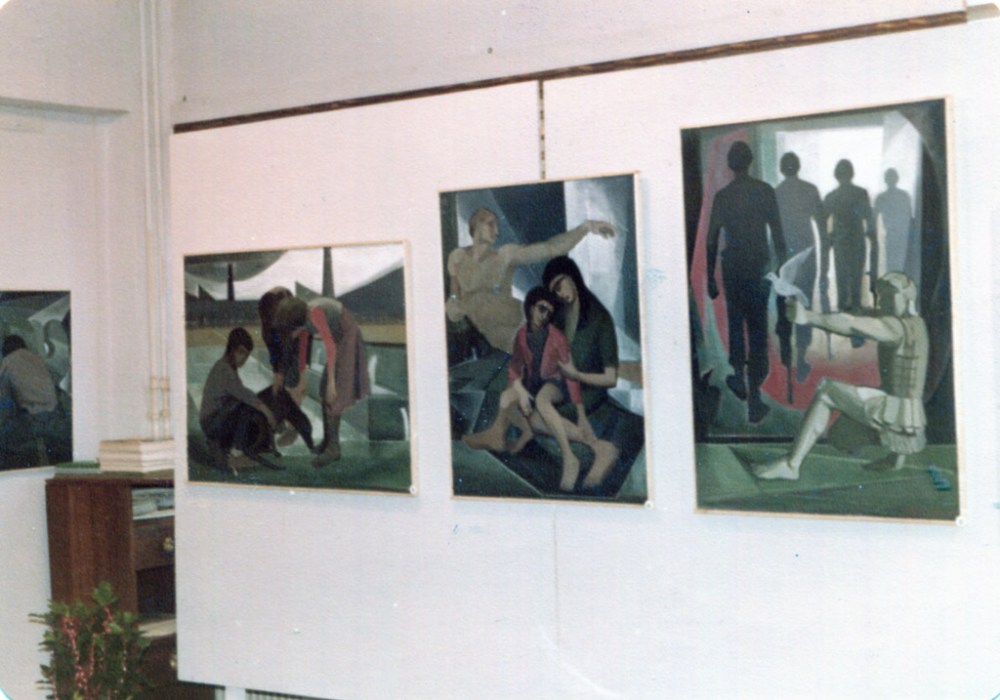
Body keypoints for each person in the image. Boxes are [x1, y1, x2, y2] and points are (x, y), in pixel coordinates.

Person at [753, 272, 928, 480]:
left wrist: (809, 317)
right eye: (882, 296)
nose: (882, 302)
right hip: (910, 418)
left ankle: (792, 465)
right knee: (851, 423)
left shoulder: (895, 327)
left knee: (826, 390)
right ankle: (895, 459)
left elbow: (851, 324)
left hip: (894, 413)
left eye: (890, 296)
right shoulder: (916, 324)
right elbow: (861, 317)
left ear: (907, 298)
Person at [463, 287, 607, 491]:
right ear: (531, 307)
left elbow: (571, 377)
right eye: (541, 309)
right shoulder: (522, 335)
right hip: (533, 385)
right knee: (508, 397)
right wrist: (521, 391)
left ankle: (569, 458)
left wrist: (581, 414)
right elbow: (514, 368)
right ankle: (496, 437)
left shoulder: (557, 337)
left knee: (542, 400)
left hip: (556, 385)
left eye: (549, 312)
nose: (544, 315)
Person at [446, 207, 617, 354]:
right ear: (476, 225)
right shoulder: (457, 257)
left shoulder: (505, 256)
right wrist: (454, 303)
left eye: (497, 225)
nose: (496, 231)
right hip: (492, 335)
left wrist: (587, 228)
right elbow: (454, 296)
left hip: (516, 322)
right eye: (490, 224)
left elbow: (551, 248)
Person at [705, 140, 787, 424]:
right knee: (758, 329)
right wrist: (783, 270)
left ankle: (739, 376)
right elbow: (778, 234)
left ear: (731, 165)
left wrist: (710, 277)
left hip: (732, 268)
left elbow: (712, 239)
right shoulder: (764, 191)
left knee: (736, 324)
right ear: (750, 161)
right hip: (758, 267)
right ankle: (754, 398)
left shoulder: (723, 196)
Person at [270, 294, 370, 467]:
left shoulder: (315, 313)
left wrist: (332, 384)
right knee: (324, 389)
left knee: (332, 392)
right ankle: (327, 441)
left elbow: (330, 347)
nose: (291, 335)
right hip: (338, 339)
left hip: (347, 336)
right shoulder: (303, 319)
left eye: (291, 330)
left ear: (297, 322)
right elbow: (303, 349)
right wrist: (302, 380)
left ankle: (333, 448)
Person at [199, 327, 278, 472]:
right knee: (245, 406)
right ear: (234, 350)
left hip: (216, 419)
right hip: (211, 423)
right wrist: (267, 412)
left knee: (249, 406)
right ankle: (235, 455)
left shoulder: (227, 366)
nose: (244, 359)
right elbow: (244, 394)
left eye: (247, 355)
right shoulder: (224, 370)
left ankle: (239, 448)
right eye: (243, 354)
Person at [775, 151, 825, 382]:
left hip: (784, 254)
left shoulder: (776, 193)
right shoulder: (810, 190)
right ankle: (802, 355)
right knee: (804, 301)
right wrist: (824, 259)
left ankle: (786, 350)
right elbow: (822, 228)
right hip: (806, 253)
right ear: (798, 167)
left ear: (782, 169)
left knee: (784, 302)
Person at [257, 286, 317, 450]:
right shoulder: (269, 322)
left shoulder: (299, 319)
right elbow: (274, 350)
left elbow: (303, 346)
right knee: (281, 381)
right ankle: (281, 419)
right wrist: (277, 372)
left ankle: (293, 426)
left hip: (296, 335)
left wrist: (302, 378)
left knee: (294, 383)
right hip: (281, 329)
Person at [0, 334, 66, 468]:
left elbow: (4, 399)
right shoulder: (38, 359)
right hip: (54, 417)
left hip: (31, 420)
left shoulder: (7, 362)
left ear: (5, 349)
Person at [823, 159, 877, 313]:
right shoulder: (861, 193)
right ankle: (856, 305)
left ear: (836, 175)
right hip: (857, 240)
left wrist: (828, 237)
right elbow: (868, 217)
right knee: (856, 276)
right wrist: (872, 237)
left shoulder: (832, 196)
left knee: (841, 275)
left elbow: (822, 218)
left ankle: (842, 306)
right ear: (852, 174)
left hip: (840, 241)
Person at [874, 168, 914, 274]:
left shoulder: (882, 197)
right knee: (900, 265)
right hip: (901, 236)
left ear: (885, 180)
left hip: (893, 236)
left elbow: (873, 218)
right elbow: (910, 218)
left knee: (892, 265)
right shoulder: (904, 196)